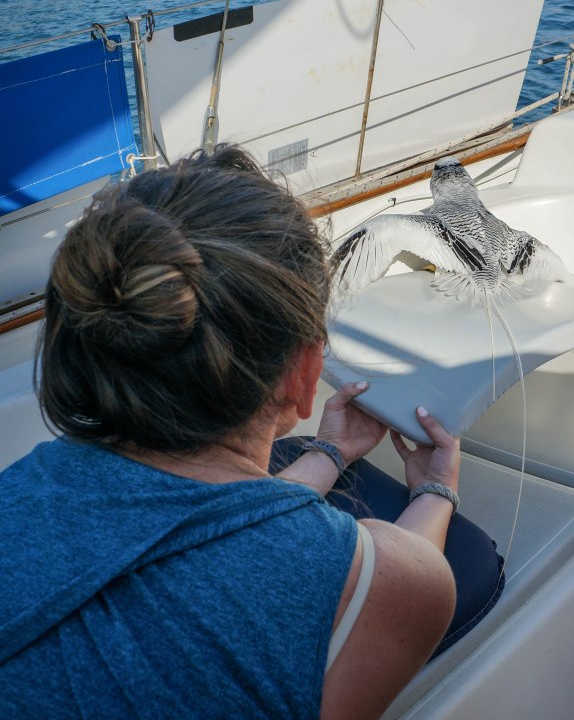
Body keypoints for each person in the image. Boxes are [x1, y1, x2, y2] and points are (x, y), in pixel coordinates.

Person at [0, 145, 503, 720]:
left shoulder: (20, 483)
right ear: (305, 375)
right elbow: (403, 566)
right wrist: (436, 488)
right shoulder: (395, 583)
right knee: (475, 562)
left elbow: (195, 521)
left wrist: (331, 451)